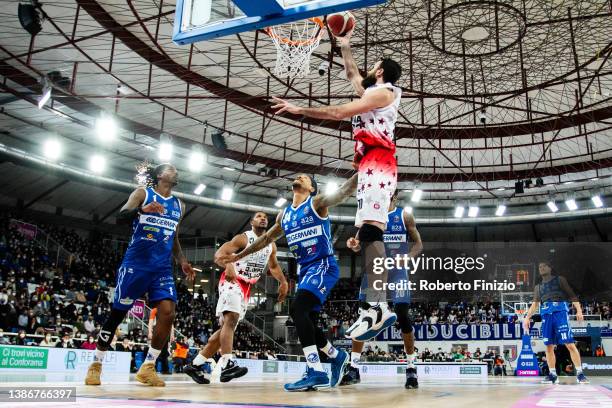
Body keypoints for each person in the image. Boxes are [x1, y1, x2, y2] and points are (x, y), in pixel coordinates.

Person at [271, 25, 403, 341]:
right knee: (369, 233)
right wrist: (344, 45)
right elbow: (352, 74)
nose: (368, 71)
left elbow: (340, 111)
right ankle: (376, 306)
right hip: (372, 165)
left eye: (374, 67)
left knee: (373, 235)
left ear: (381, 71)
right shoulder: (375, 92)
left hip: (378, 162)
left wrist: (299, 109)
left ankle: (378, 307)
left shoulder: (384, 93)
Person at [220, 174, 358, 391]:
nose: (298, 177)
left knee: (297, 310)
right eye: (297, 176)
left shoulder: (316, 204)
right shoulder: (284, 215)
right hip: (305, 271)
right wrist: (238, 257)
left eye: (304, 177)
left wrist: (366, 168)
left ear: (311, 188)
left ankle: (316, 370)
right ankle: (336, 355)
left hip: (323, 265)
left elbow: (343, 191)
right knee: (308, 319)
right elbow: (265, 240)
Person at [85, 163, 195, 386]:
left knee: (168, 312)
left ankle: (148, 367)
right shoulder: (142, 193)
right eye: (171, 169)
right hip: (136, 265)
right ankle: (96, 364)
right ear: (160, 175)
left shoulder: (179, 205)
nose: (176, 172)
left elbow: (173, 237)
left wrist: (182, 260)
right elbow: (121, 216)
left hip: (162, 268)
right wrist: (141, 210)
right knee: (117, 315)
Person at [184, 212, 289, 384]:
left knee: (225, 331)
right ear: (251, 222)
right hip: (231, 280)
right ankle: (227, 363)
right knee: (231, 320)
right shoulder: (243, 239)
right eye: (258, 216)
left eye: (265, 217)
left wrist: (283, 282)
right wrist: (229, 264)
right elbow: (219, 255)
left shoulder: (271, 245)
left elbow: (274, 266)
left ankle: (195, 365)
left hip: (246, 287)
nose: (263, 218)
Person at [341, 190, 423, 389]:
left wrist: (409, 257)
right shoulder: (369, 218)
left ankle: (411, 368)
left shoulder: (404, 216)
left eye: (389, 195)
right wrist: (352, 244)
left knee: (403, 315)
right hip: (375, 271)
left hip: (397, 272)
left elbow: (418, 244)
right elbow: (358, 245)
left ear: (394, 197)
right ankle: (354, 367)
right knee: (364, 315)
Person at [523, 261, 589, 384]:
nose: (541, 268)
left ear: (550, 267)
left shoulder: (560, 280)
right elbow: (535, 304)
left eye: (544, 266)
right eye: (540, 267)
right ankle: (553, 374)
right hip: (546, 315)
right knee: (548, 346)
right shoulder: (538, 287)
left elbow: (572, 295)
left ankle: (580, 374)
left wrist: (579, 311)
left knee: (569, 344)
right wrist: (527, 317)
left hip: (560, 313)